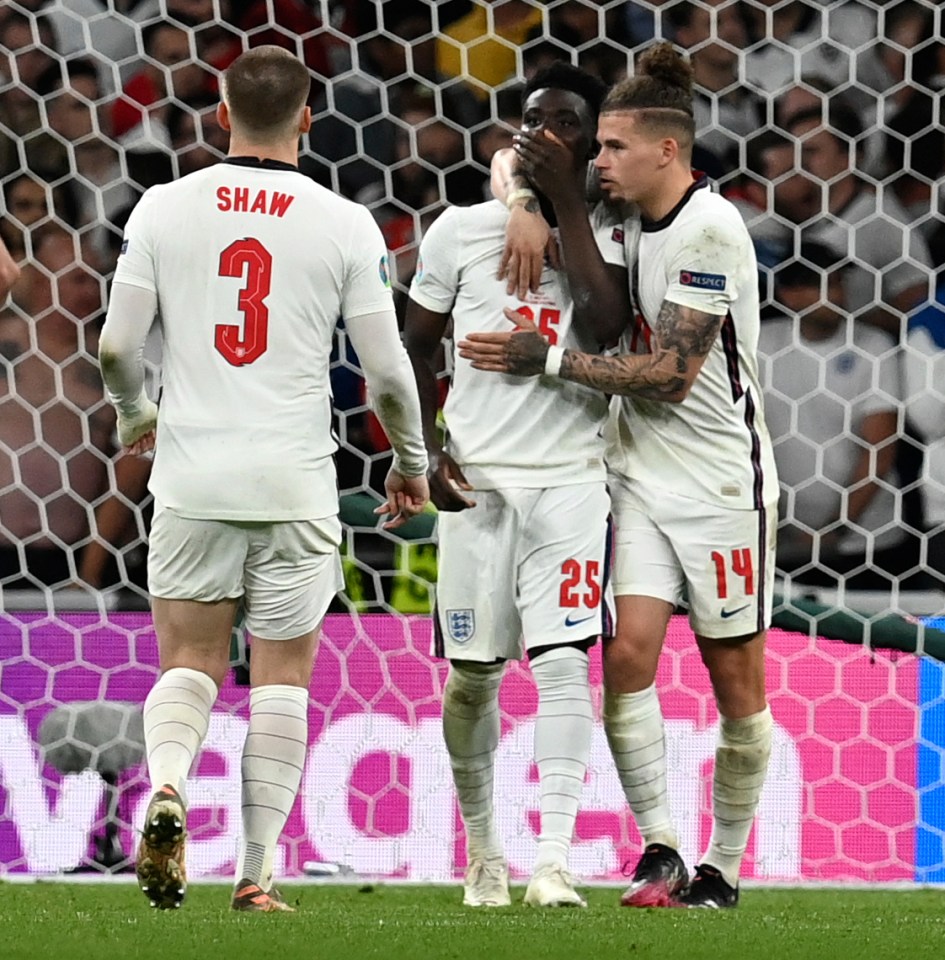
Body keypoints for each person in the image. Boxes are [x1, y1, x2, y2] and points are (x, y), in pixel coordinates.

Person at [99, 45, 429, 913]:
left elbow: (115, 347)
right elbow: (389, 373)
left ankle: (167, 784)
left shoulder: (164, 207)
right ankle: (256, 875)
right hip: (295, 484)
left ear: (219, 115)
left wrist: (136, 416)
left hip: (193, 477)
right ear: (309, 118)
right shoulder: (345, 222)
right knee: (281, 678)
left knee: (191, 663)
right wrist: (410, 463)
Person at [465, 42, 778, 909]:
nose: (596, 160)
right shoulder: (623, 218)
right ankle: (661, 849)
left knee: (734, 681)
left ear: (666, 152)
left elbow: (672, 375)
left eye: (610, 147)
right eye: (594, 146)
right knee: (627, 657)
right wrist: (522, 198)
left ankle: (722, 866)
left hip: (721, 487)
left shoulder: (709, 231)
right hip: (637, 475)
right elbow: (519, 152)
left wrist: (549, 360)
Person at [405, 62, 629, 909]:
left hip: (571, 481)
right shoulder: (460, 231)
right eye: (532, 118)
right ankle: (485, 853)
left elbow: (607, 328)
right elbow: (409, 346)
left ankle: (556, 862)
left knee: (566, 664)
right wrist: (422, 450)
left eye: (565, 122)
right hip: (479, 488)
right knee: (471, 679)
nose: (544, 132)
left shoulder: (616, 235)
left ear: (594, 143)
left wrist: (552, 207)